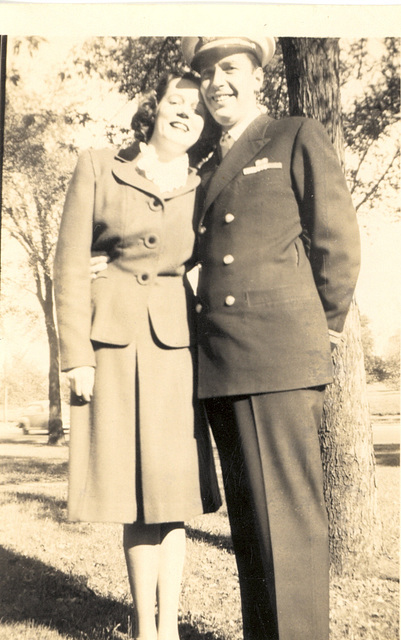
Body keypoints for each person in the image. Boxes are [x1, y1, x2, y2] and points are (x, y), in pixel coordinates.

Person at [179, 36, 361, 640]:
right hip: (224, 360)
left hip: (277, 356)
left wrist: (325, 330)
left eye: (228, 68)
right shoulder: (207, 167)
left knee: (288, 523)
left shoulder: (292, 134)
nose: (216, 83)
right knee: (254, 529)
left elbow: (336, 242)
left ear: (256, 73)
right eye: (205, 73)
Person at [53, 71, 221, 640]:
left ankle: (168, 628)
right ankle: (144, 629)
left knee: (172, 494)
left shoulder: (206, 183)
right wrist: (77, 354)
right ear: (154, 109)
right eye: (176, 102)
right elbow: (71, 262)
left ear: (204, 126)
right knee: (133, 494)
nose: (185, 114)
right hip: (113, 345)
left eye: (196, 110)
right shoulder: (98, 166)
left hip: (176, 349)